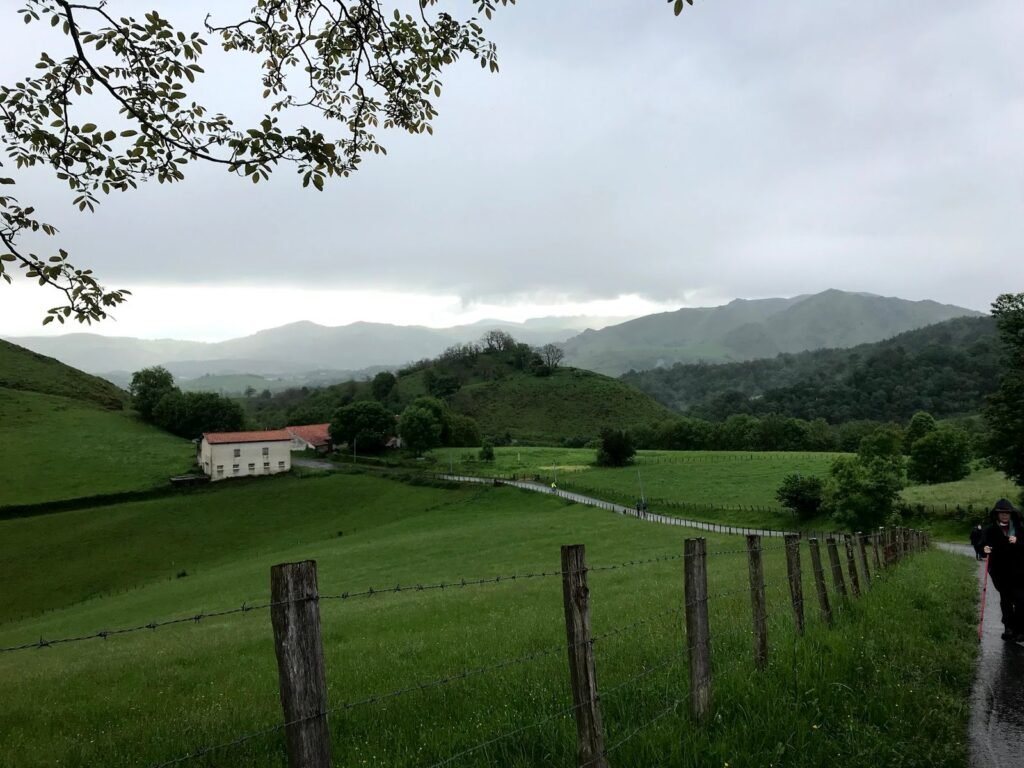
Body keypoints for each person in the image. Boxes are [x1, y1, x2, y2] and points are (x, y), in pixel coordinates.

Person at [982, 499, 1024, 640]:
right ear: (997, 514)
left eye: (1007, 512)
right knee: (1005, 600)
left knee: (1020, 599)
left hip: (1019, 571)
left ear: (1011, 514)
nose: (1005, 515)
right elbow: (981, 543)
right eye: (1002, 513)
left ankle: (1020, 629)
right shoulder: (990, 530)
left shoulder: (1019, 529)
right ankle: (1009, 628)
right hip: (1000, 572)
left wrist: (1018, 541)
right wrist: (984, 548)